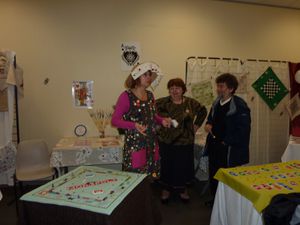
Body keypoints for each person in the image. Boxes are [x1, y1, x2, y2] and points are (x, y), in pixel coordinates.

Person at [111, 62, 171, 177]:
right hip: (135, 145)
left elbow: (152, 116)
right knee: (135, 179)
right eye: (145, 75)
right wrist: (134, 125)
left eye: (150, 75)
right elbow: (115, 121)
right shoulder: (126, 96)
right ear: (136, 76)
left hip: (151, 143)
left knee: (150, 178)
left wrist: (162, 120)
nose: (149, 78)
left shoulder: (150, 95)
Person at [156, 78, 207, 203]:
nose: (174, 91)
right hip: (166, 141)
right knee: (167, 166)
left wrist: (195, 127)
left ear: (183, 90)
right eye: (171, 88)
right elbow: (151, 113)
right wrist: (156, 125)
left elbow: (203, 111)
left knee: (183, 167)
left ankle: (183, 190)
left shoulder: (191, 103)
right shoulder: (161, 102)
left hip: (185, 141)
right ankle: (166, 190)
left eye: (177, 88)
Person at [204, 73, 251, 205]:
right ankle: (215, 200)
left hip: (229, 148)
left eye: (221, 86)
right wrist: (208, 124)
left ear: (231, 89)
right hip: (214, 145)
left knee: (228, 177)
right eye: (217, 86)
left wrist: (226, 141)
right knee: (214, 173)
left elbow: (243, 129)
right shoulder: (216, 103)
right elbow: (210, 119)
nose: (218, 89)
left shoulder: (240, 105)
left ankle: (228, 203)